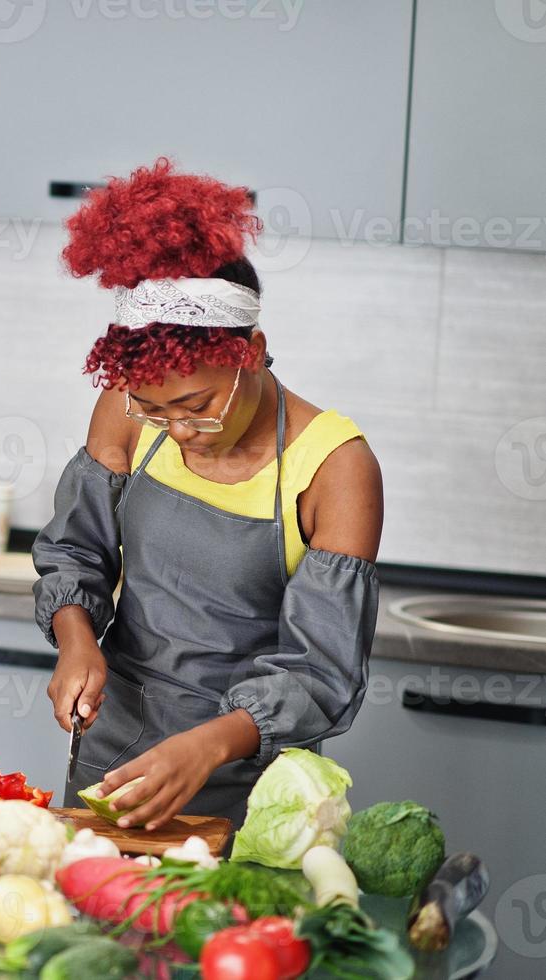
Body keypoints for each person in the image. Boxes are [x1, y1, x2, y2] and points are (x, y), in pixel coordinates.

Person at [33, 158, 384, 831]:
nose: (179, 432)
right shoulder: (126, 407)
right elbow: (74, 553)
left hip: (248, 780)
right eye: (154, 411)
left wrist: (206, 746)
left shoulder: (334, 467)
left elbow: (322, 671)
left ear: (249, 352)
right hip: (113, 756)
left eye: (196, 405)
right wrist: (75, 639)